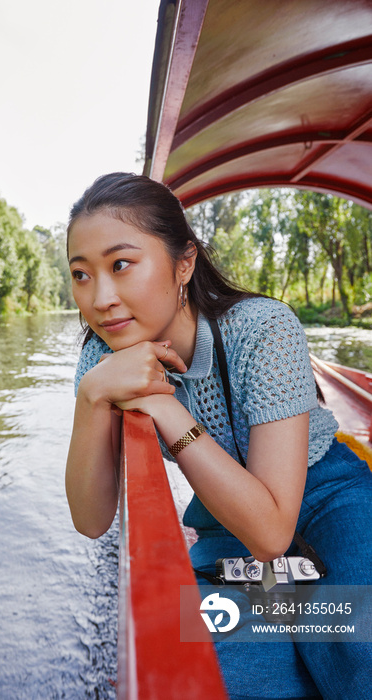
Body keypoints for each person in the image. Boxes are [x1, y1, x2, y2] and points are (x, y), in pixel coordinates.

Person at [65, 172, 372, 699]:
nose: (101, 297)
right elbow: (92, 520)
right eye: (81, 274)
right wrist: (93, 397)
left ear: (184, 263)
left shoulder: (262, 328)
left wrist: (164, 406)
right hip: (222, 518)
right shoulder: (103, 356)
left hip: (324, 496)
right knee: (237, 673)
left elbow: (273, 535)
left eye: (120, 264)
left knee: (355, 647)